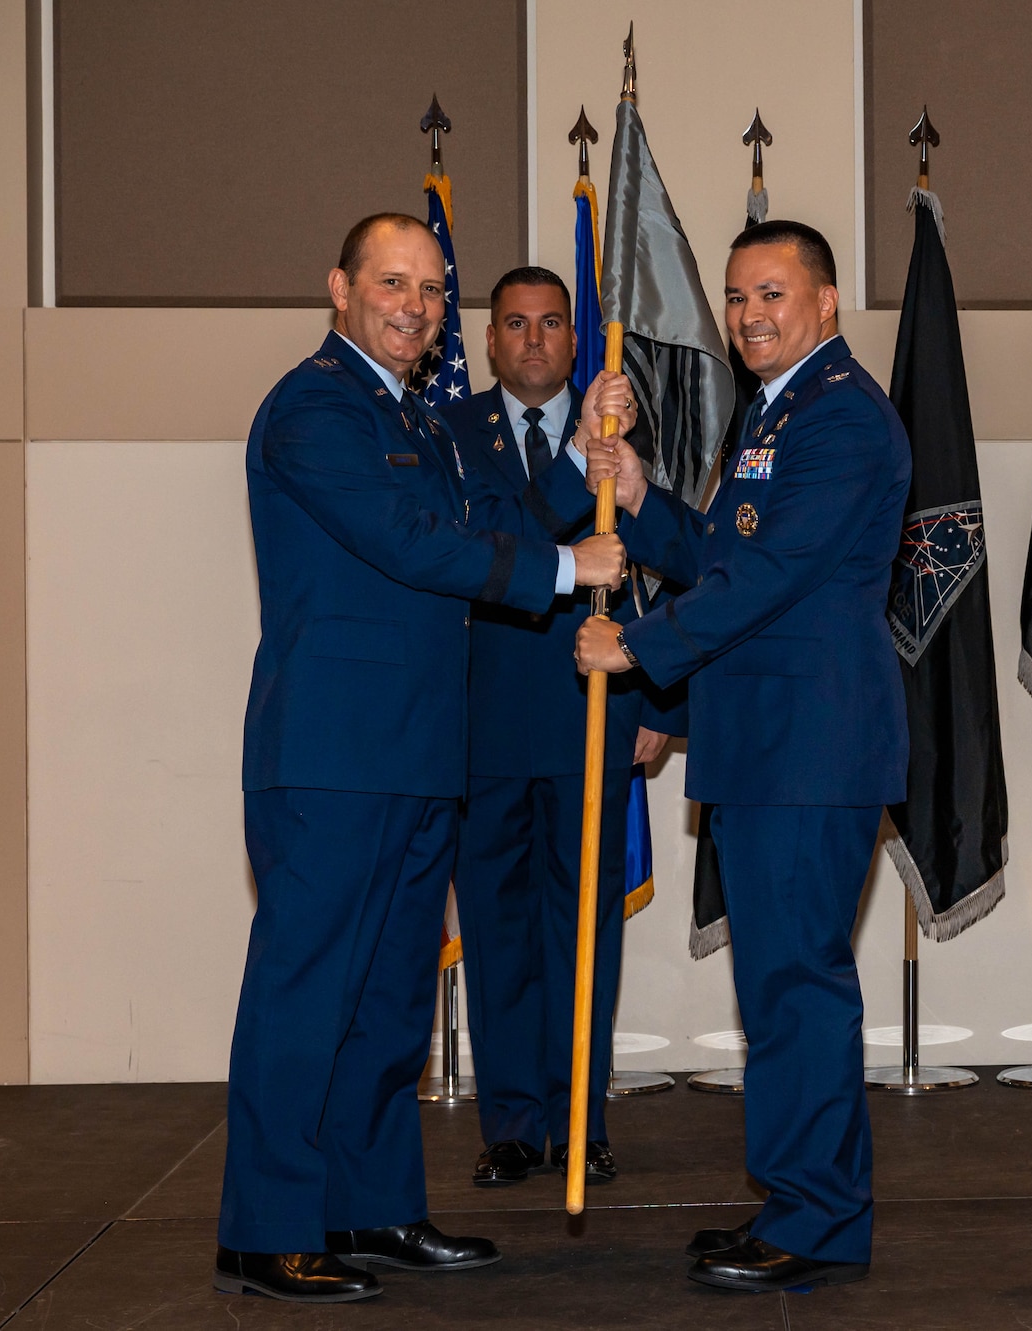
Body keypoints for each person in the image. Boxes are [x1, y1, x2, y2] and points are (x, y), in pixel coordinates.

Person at [217, 214, 626, 1304]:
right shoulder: (312, 406)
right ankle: (266, 1230)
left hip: (417, 753)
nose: (415, 305)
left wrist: (588, 441)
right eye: (392, 282)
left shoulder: (426, 420)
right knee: (307, 994)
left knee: (392, 1000)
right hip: (333, 755)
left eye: (433, 289)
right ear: (338, 288)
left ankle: (371, 1206)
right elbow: (410, 540)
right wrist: (557, 565)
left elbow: (500, 516)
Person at [574, 220, 909, 1293]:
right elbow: (727, 550)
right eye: (734, 296)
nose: (749, 315)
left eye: (771, 292)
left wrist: (637, 644)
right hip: (762, 744)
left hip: (810, 748)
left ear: (825, 300)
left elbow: (770, 578)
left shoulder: (846, 418)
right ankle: (794, 1198)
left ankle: (817, 1219)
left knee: (799, 983)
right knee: (773, 986)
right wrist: (637, 497)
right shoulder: (776, 413)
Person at [439, 267, 676, 1190]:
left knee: (587, 928)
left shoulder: (620, 432)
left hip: (595, 712)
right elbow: (494, 545)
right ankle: (510, 1122)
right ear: (490, 342)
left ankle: (582, 1117)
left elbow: (652, 563)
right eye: (514, 325)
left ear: (578, 341)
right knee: (500, 928)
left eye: (551, 324)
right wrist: (579, 459)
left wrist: (657, 694)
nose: (534, 340)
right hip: (487, 721)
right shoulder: (451, 434)